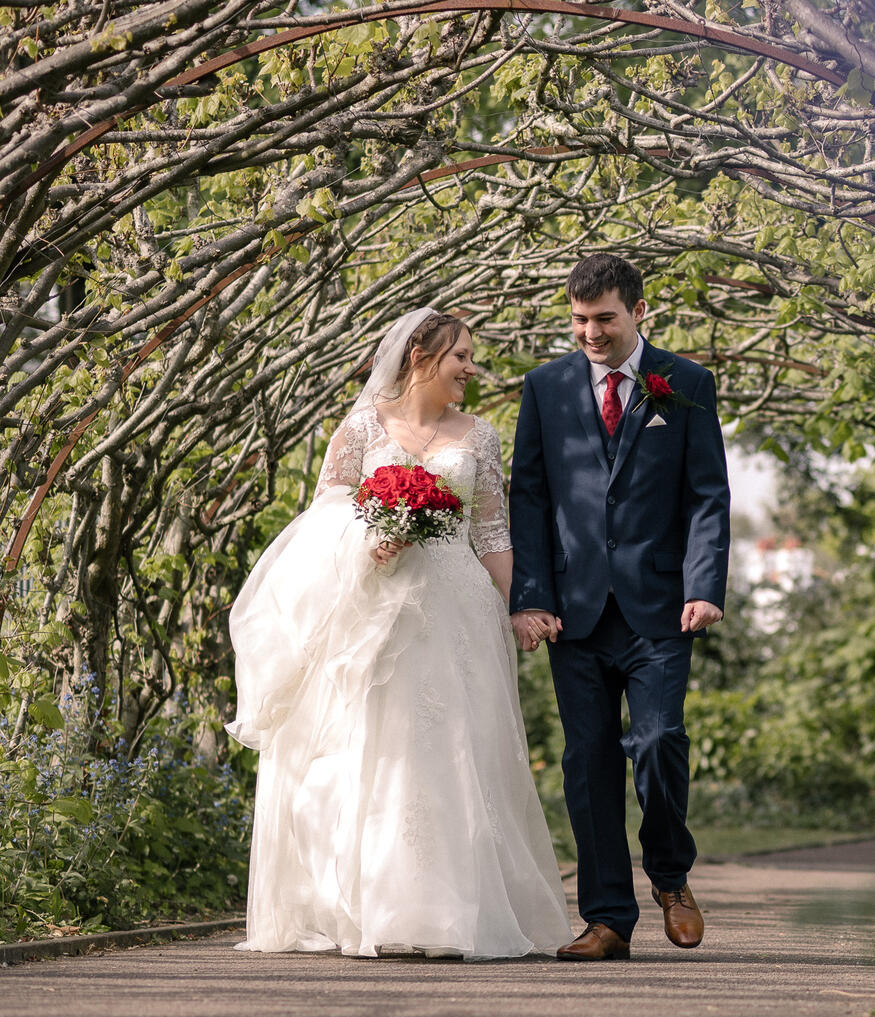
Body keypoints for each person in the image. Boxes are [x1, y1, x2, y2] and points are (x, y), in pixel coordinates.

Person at [226, 308, 573, 959]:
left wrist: (521, 605)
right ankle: (376, 906)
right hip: (376, 608)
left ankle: (450, 912)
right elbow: (326, 512)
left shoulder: (481, 436)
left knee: (453, 750)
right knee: (378, 753)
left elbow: (492, 532)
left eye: (472, 356)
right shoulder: (362, 427)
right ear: (420, 354)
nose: (472, 368)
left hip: (457, 607)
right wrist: (373, 534)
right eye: (461, 356)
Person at [509, 253, 731, 961]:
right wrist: (532, 597)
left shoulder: (684, 384)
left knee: (661, 738)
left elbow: (707, 495)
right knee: (588, 761)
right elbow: (531, 498)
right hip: (573, 609)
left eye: (604, 317)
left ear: (639, 311)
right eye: (578, 319)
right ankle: (608, 918)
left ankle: (670, 874)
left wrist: (704, 584)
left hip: (662, 605)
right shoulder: (544, 388)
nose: (590, 332)